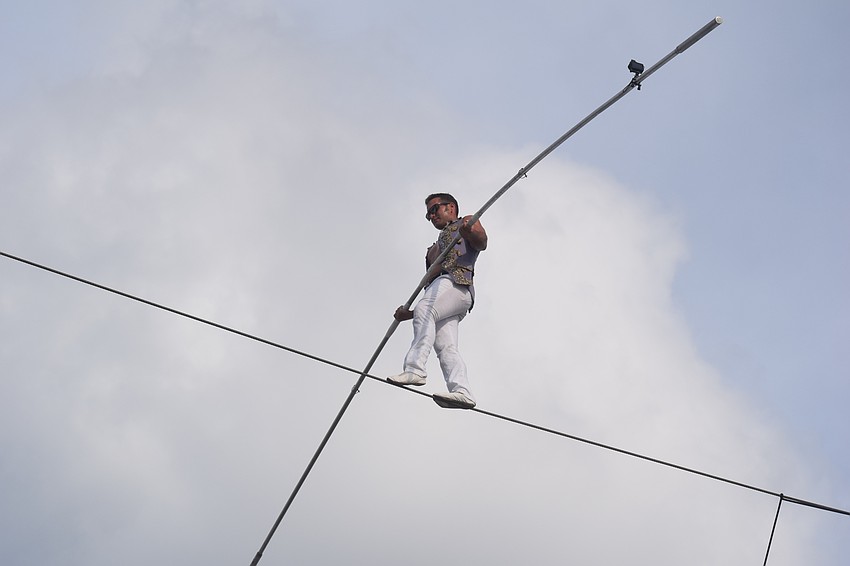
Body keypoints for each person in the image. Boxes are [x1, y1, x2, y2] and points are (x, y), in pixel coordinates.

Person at [387, 193, 488, 409]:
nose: (432, 216)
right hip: (450, 296)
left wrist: (469, 232)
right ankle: (462, 391)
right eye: (428, 214)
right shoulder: (432, 249)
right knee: (446, 347)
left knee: (426, 309)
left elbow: (482, 243)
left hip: (456, 282)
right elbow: (433, 308)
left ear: (450, 207)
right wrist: (410, 314)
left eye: (434, 210)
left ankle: (415, 369)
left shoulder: (466, 221)